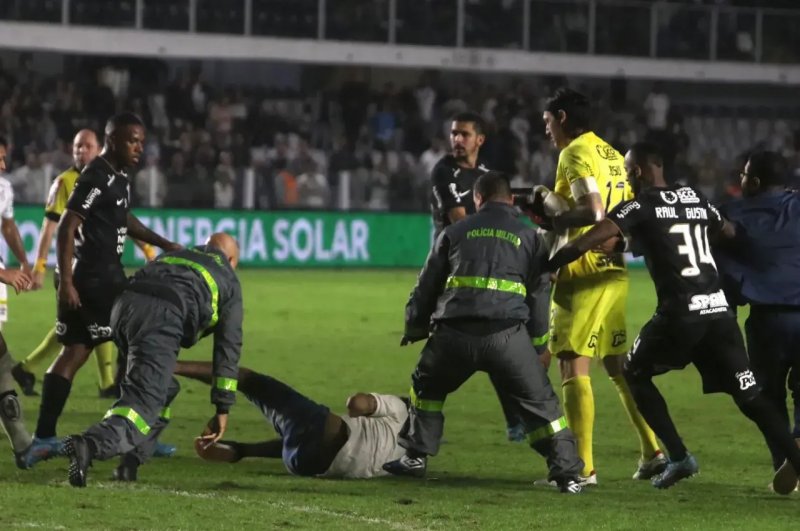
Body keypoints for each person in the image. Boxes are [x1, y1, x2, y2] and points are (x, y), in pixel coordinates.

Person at [547, 142, 800, 494]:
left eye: (627, 172)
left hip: (681, 314)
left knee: (633, 371)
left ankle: (678, 456)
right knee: (752, 395)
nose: (626, 178)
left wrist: (546, 264)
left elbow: (586, 241)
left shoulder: (639, 204)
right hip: (718, 313)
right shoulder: (695, 197)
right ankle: (796, 460)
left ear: (637, 171)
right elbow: (729, 233)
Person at [383, 171, 584, 494]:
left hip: (453, 335)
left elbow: (427, 285)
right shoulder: (529, 236)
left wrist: (415, 326)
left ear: (478, 199)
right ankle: (567, 475)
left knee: (426, 388)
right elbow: (538, 294)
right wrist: (537, 346)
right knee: (541, 404)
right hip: (508, 337)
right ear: (510, 199)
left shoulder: (454, 231)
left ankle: (415, 457)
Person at [23, 113, 180, 468]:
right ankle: (137, 436)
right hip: (96, 280)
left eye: (141, 142)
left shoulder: (118, 177)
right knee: (140, 344)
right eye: (132, 141)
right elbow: (67, 225)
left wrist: (164, 243)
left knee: (75, 352)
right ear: (112, 140)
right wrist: (66, 282)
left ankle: (43, 439)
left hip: (97, 278)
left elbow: (123, 218)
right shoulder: (97, 175)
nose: (138, 148)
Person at [538, 87, 663, 486]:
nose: (546, 130)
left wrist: (553, 214)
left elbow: (592, 211)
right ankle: (652, 450)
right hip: (614, 270)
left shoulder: (573, 152)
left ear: (561, 117)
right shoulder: (611, 153)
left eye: (547, 122)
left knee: (572, 362)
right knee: (617, 365)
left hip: (583, 271)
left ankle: (582, 468)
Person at [64, 233, 242, 487]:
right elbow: (228, 349)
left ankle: (131, 462)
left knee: (165, 387)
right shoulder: (229, 280)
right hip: (161, 317)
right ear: (231, 259)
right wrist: (223, 408)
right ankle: (90, 445)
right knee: (144, 404)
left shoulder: (176, 255)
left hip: (124, 307)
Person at [430, 111, 545, 442]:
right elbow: (460, 220)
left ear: (479, 139)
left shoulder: (486, 175)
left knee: (494, 341)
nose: (457, 139)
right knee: (453, 349)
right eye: (454, 133)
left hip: (487, 268)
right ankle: (426, 419)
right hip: (453, 270)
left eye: (464, 134)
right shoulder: (444, 172)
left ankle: (514, 420)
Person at [175, 360, 409, 479]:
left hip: (315, 428)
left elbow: (356, 404)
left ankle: (169, 365)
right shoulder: (408, 459)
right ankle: (240, 450)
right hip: (305, 464)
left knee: (245, 378)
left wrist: (363, 404)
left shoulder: (400, 410)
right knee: (298, 439)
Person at [716, 150, 800, 479]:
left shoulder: (731, 213)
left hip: (767, 320)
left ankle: (784, 459)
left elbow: (719, 266)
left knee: (768, 393)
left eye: (744, 174)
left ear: (754, 181)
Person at [0, 135, 35, 468]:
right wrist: (3, 273)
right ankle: (22, 441)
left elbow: (7, 225)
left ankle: (23, 442)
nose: (2, 165)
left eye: (3, 158)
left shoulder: (3, 189)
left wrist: (23, 262)